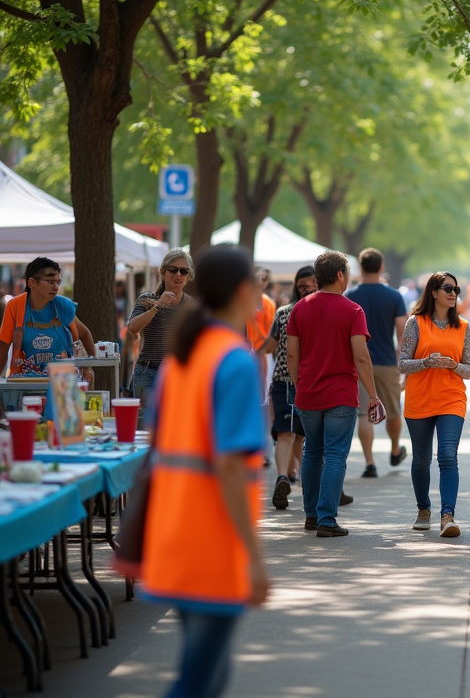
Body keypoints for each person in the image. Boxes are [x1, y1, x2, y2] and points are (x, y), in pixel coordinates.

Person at [139, 245, 269, 698]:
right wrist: (254, 557)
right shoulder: (234, 361)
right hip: (212, 540)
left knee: (207, 677)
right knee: (197, 681)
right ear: (242, 290)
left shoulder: (182, 361)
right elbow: (232, 468)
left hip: (174, 533)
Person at [287, 251, 378, 538]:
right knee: (336, 454)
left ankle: (311, 515)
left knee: (312, 452)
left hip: (308, 393)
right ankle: (327, 518)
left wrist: (299, 383)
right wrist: (373, 395)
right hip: (340, 392)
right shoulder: (352, 310)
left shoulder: (300, 308)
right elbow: (361, 357)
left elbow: (291, 353)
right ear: (340, 275)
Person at [400, 272, 470, 537]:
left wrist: (454, 365)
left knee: (446, 456)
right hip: (419, 398)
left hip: (451, 399)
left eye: (457, 289)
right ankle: (423, 509)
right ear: (433, 292)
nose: (454, 293)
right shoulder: (415, 322)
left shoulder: (463, 326)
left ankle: (448, 515)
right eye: (448, 288)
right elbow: (402, 363)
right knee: (421, 459)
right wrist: (426, 362)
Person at [260, 266, 330, 509]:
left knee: (292, 435)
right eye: (302, 285)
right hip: (300, 380)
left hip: (294, 380)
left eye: (311, 283)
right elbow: (270, 345)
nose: (307, 287)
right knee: (295, 435)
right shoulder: (301, 312)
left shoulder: (285, 312)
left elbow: (269, 346)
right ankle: (290, 479)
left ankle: (289, 478)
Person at [345, 248, 408, 478]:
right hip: (387, 361)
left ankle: (369, 462)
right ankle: (394, 449)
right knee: (393, 411)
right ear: (381, 267)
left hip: (359, 363)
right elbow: (403, 334)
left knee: (363, 413)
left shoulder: (350, 296)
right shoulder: (394, 296)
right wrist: (403, 362)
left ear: (360, 268)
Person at [0, 257, 97, 377]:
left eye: (58, 282)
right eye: (51, 282)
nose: (56, 287)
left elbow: (84, 334)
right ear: (31, 283)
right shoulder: (15, 306)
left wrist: (89, 367)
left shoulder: (63, 305)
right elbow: (3, 348)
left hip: (62, 383)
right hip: (25, 382)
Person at [126, 249, 195, 407]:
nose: (178, 274)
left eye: (183, 271)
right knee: (151, 425)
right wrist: (157, 306)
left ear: (188, 277)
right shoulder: (147, 299)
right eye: (173, 269)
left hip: (178, 375)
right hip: (148, 372)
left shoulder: (191, 305)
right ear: (162, 273)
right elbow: (133, 328)